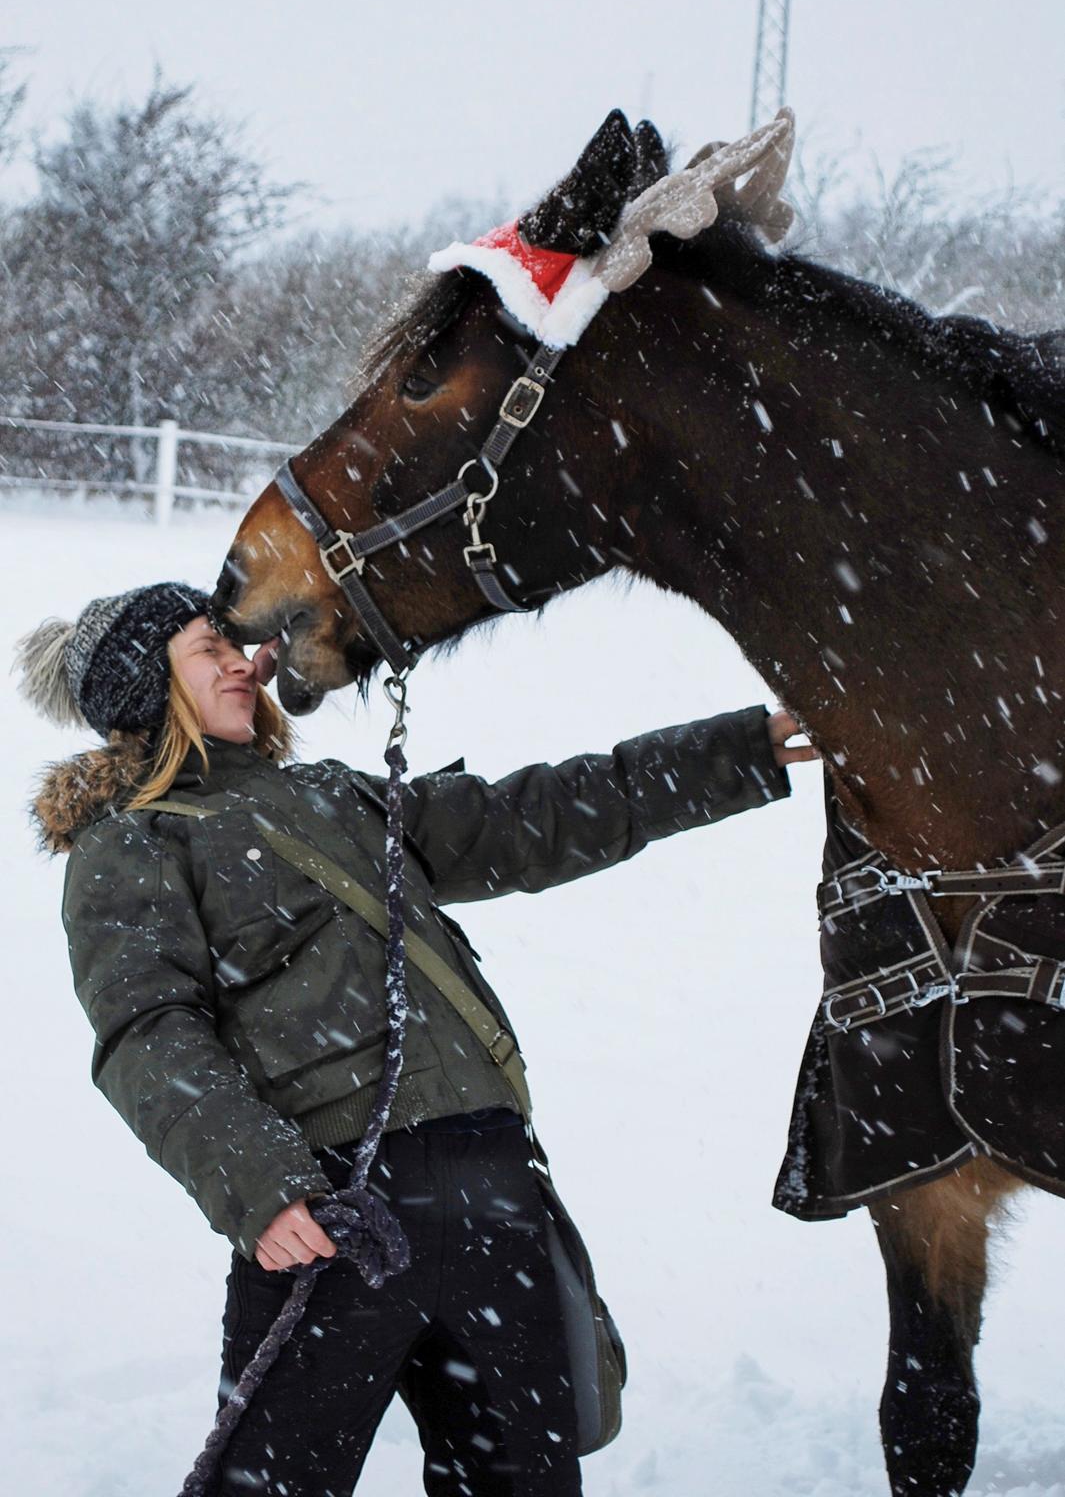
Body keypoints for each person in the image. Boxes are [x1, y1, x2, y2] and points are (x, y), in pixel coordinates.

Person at [18, 581, 817, 1497]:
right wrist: (263, 1192)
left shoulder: (343, 798)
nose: (241, 663)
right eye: (210, 650)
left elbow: (535, 816)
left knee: (520, 1485)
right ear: (146, 691)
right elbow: (147, 1037)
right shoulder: (134, 844)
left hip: (494, 1192)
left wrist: (740, 750)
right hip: (335, 1217)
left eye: (237, 647)